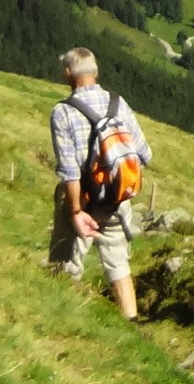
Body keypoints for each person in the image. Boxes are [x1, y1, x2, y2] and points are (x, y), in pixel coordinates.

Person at [48, 47, 151, 320]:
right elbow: (144, 153)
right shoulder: (118, 103)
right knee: (118, 263)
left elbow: (70, 170)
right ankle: (132, 321)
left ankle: (63, 318)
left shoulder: (63, 112)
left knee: (65, 259)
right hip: (117, 199)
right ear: (95, 72)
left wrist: (75, 211)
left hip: (81, 199)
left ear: (68, 73)